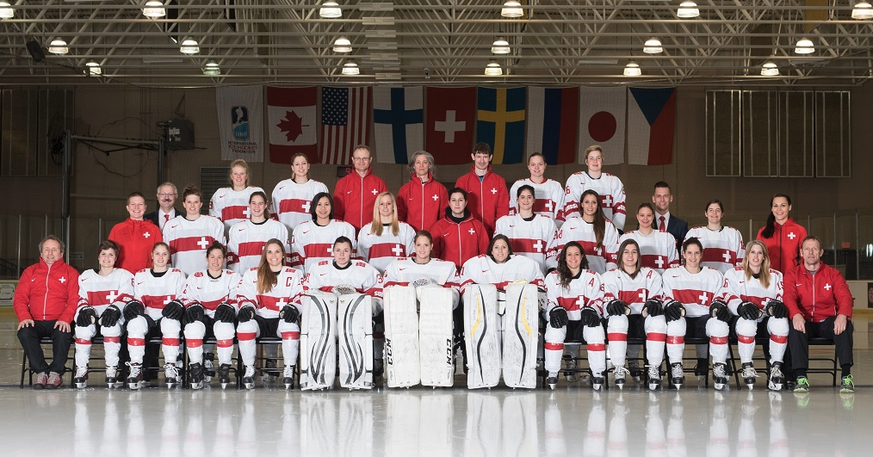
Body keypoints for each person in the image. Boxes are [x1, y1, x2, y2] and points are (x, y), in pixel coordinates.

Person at [303, 236, 386, 379]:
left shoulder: (364, 269)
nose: (342, 254)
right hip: (326, 318)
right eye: (338, 250)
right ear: (333, 251)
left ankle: (357, 371)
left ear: (351, 252)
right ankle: (321, 370)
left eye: (346, 250)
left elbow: (378, 291)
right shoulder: (318, 268)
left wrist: (370, 307)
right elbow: (306, 291)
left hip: (355, 319)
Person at [784, 236, 854, 393]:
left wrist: (843, 314)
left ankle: (846, 376)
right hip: (805, 320)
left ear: (821, 252)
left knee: (845, 326)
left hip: (827, 321)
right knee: (794, 327)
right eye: (807, 249)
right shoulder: (792, 274)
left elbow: (845, 296)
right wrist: (795, 314)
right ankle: (801, 377)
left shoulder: (833, 274)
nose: (811, 252)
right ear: (801, 252)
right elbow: (788, 296)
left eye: (814, 248)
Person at [235, 239, 305, 389]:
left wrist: (293, 308)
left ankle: (289, 369)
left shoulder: (294, 274)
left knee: (290, 326)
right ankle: (249, 368)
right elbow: (244, 295)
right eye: (270, 252)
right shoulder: (253, 273)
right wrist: (247, 307)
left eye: (277, 251)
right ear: (265, 255)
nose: (274, 255)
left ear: (283, 255)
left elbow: (301, 295)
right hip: (260, 318)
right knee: (244, 327)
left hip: (280, 319)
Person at [720, 240, 789, 390]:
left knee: (781, 322)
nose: (756, 256)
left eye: (759, 252)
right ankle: (747, 365)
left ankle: (775, 368)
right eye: (752, 252)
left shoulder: (776, 275)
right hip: (742, 321)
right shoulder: (733, 273)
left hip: (765, 320)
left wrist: (775, 306)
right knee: (748, 323)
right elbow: (728, 295)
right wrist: (741, 306)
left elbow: (781, 297)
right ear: (747, 255)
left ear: (764, 256)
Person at [659, 237, 725, 390]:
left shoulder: (714, 275)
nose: (693, 257)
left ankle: (719, 367)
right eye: (689, 253)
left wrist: (717, 307)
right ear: (683, 254)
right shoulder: (670, 274)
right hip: (681, 317)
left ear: (702, 255)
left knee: (720, 324)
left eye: (696, 253)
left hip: (704, 319)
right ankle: (676, 366)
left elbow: (720, 298)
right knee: (675, 323)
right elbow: (665, 297)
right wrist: (671, 305)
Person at [14, 235, 79, 389]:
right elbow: (20, 297)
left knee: (63, 333)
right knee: (24, 332)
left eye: (54, 249)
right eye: (47, 249)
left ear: (61, 254)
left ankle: (56, 373)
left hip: (59, 320)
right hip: (34, 320)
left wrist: (65, 318)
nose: (50, 253)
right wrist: (24, 317)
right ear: (41, 253)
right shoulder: (30, 272)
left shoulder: (71, 272)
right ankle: (41, 372)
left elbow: (74, 299)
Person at [600, 239, 665, 390]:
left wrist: (654, 304)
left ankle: (654, 368)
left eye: (634, 252)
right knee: (618, 318)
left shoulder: (651, 275)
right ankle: (619, 368)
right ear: (620, 255)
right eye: (626, 252)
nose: (630, 255)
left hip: (642, 321)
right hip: (621, 322)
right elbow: (605, 303)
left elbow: (657, 298)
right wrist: (611, 304)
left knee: (658, 319)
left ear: (639, 255)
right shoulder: (609, 276)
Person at [540, 241, 605, 390]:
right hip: (564, 322)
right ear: (564, 257)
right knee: (554, 329)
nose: (573, 258)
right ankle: (552, 371)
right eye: (569, 254)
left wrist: (592, 309)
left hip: (583, 323)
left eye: (577, 254)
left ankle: (597, 373)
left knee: (596, 330)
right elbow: (548, 300)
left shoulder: (593, 277)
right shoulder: (552, 277)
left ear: (582, 257)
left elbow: (599, 298)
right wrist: (554, 309)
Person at [72, 240, 136, 389]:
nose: (106, 258)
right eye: (103, 254)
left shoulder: (124, 275)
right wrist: (85, 310)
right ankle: (81, 369)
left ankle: (111, 369)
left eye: (110, 255)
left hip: (114, 319)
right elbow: (81, 298)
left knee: (110, 328)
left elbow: (127, 296)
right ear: (98, 257)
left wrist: (114, 309)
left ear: (116, 258)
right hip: (93, 318)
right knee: (82, 329)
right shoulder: (86, 276)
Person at [180, 242, 242, 390]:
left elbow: (239, 295)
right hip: (203, 317)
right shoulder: (196, 277)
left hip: (222, 318)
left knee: (225, 328)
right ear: (207, 259)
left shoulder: (233, 276)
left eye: (219, 257)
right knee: (192, 327)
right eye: (212, 257)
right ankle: (196, 369)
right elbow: (186, 297)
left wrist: (230, 307)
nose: (216, 261)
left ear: (224, 259)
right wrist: (193, 307)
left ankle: (224, 368)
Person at [125, 242, 187, 389]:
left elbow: (184, 295)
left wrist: (178, 304)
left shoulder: (177, 274)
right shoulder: (141, 275)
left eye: (164, 254)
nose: (160, 257)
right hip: (148, 317)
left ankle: (171, 367)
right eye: (157, 254)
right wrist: (134, 305)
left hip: (168, 316)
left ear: (169, 257)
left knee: (171, 323)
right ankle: (136, 367)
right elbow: (137, 298)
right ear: (152, 255)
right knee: (135, 323)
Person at [382, 230, 461, 307]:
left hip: (435, 314)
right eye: (419, 245)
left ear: (431, 246)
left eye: (426, 245)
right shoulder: (396, 265)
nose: (422, 249)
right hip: (405, 314)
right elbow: (388, 293)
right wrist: (408, 294)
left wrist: (434, 291)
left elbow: (454, 297)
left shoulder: (446, 267)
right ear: (414, 246)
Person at [550, 189, 619, 274]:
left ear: (598, 205)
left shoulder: (608, 227)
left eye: (594, 202)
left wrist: (608, 279)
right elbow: (561, 255)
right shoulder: (569, 225)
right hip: (573, 279)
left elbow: (612, 258)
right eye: (587, 202)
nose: (590, 206)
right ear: (581, 204)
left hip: (600, 278)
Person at [163, 184, 226, 276]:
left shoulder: (214, 224)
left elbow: (222, 254)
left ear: (201, 204)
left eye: (196, 202)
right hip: (180, 278)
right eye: (189, 202)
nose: (192, 205)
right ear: (184, 204)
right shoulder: (171, 226)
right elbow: (166, 256)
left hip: (207, 279)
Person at [559, 145, 626, 231]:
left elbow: (620, 209)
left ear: (602, 161)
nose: (595, 161)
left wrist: (615, 230)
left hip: (607, 231)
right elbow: (571, 207)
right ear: (586, 161)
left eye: (598, 158)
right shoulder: (576, 179)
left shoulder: (614, 181)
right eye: (591, 158)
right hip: (582, 230)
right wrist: (577, 228)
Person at [495, 185, 558, 275]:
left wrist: (551, 269)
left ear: (534, 199)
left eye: (529, 197)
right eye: (522, 197)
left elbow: (552, 250)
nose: (526, 200)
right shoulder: (504, 222)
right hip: (510, 274)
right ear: (517, 199)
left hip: (538, 275)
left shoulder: (546, 223)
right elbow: (497, 250)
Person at [290, 192, 357, 273]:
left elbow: (353, 258)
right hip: (312, 280)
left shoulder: (345, 228)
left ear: (331, 206)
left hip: (339, 279)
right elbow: (298, 261)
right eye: (319, 204)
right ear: (314, 207)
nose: (323, 208)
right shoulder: (301, 229)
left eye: (326, 204)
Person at [454, 142, 509, 237]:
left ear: (490, 157)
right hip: (469, 230)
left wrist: (499, 229)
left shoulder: (499, 181)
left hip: (493, 231)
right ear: (473, 156)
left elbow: (503, 209)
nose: (482, 160)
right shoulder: (462, 181)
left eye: (485, 156)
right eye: (479, 156)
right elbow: (457, 208)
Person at [227, 191, 291, 273]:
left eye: (260, 203)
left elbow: (285, 255)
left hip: (271, 277)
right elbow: (233, 258)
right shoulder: (237, 229)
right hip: (245, 279)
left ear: (265, 205)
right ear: (249, 205)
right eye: (254, 203)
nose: (257, 207)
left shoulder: (278, 228)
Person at [430, 187, 490, 270]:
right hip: (447, 273)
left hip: (472, 273)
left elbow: (485, 252)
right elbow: (434, 254)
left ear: (466, 203)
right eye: (454, 200)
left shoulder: (477, 225)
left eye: (460, 200)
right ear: (449, 203)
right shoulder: (439, 226)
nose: (457, 203)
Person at [270, 152, 330, 234]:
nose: (301, 167)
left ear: (308, 166)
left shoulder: (319, 187)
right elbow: (274, 213)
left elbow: (325, 214)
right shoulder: (281, 187)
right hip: (286, 234)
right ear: (292, 167)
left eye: (304, 163)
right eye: (297, 164)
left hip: (310, 234)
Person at [357, 192, 416, 273]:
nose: (385, 206)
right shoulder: (366, 230)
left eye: (388, 203)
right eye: (381, 204)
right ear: (377, 207)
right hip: (375, 279)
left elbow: (412, 257)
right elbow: (362, 259)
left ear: (393, 206)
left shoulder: (406, 229)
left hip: (398, 278)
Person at [333, 145, 388, 231]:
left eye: (365, 158)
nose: (361, 161)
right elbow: (337, 212)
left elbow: (386, 211)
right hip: (349, 232)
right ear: (353, 160)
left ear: (370, 160)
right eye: (358, 158)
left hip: (373, 232)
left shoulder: (379, 183)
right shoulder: (342, 183)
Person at [683, 199, 744, 274]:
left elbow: (741, 262)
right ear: (706, 213)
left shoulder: (734, 234)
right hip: (702, 280)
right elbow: (684, 259)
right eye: (711, 210)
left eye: (718, 210)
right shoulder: (694, 233)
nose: (714, 213)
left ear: (722, 214)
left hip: (726, 280)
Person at [109, 191, 163, 274]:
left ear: (145, 207)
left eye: (140, 204)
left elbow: (160, 255)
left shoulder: (154, 230)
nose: (136, 207)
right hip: (121, 276)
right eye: (133, 204)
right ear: (127, 207)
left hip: (146, 277)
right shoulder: (117, 229)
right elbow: (109, 254)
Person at [396, 150, 448, 233]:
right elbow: (399, 214)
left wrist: (439, 232)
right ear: (413, 166)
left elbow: (444, 215)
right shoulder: (405, 189)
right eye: (418, 162)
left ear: (430, 165)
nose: (421, 165)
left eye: (425, 162)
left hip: (433, 236)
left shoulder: (440, 189)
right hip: (411, 236)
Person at [618, 203, 678, 274]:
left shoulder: (667, 237)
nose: (645, 218)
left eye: (649, 215)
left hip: (661, 282)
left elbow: (674, 266)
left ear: (653, 216)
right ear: (637, 216)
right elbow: (620, 264)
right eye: (642, 215)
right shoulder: (626, 237)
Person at [756, 193, 807, 274]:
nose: (779, 209)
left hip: (791, 277)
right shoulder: (763, 231)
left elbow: (805, 256)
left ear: (789, 207)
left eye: (783, 205)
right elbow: (756, 256)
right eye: (775, 206)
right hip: (768, 278)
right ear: (772, 209)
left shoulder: (800, 230)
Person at [209, 159, 266, 232]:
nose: (238, 176)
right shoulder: (220, 194)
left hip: (252, 238)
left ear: (247, 176)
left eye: (242, 173)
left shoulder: (256, 192)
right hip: (227, 238)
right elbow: (214, 222)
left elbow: (264, 218)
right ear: (231, 176)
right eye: (235, 173)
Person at [509, 152, 564, 225]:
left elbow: (561, 212)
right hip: (523, 229)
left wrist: (554, 229)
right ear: (528, 166)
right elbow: (512, 209)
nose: (536, 168)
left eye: (540, 164)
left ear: (545, 165)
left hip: (547, 230)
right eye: (533, 164)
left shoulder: (555, 186)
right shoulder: (518, 185)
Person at [652, 181, 688, 254]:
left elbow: (684, 252)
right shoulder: (645, 223)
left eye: (665, 196)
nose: (662, 199)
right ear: (653, 199)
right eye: (658, 196)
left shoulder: (681, 225)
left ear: (671, 198)